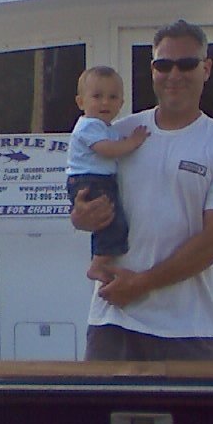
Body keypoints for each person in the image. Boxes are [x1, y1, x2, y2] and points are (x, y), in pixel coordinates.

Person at [71, 19, 213, 360]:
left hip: (190, 331)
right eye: (163, 65)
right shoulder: (117, 135)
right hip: (113, 322)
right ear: (152, 70)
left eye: (187, 64)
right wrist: (80, 216)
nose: (174, 74)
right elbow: (82, 197)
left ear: (206, 68)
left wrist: (140, 284)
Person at [66, 66, 149, 281]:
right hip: (90, 180)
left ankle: (101, 262)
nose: (105, 102)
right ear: (80, 102)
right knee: (110, 222)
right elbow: (107, 150)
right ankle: (98, 265)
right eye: (97, 96)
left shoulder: (105, 127)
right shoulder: (89, 126)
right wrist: (133, 142)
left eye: (113, 97)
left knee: (111, 223)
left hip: (97, 179)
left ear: (121, 103)